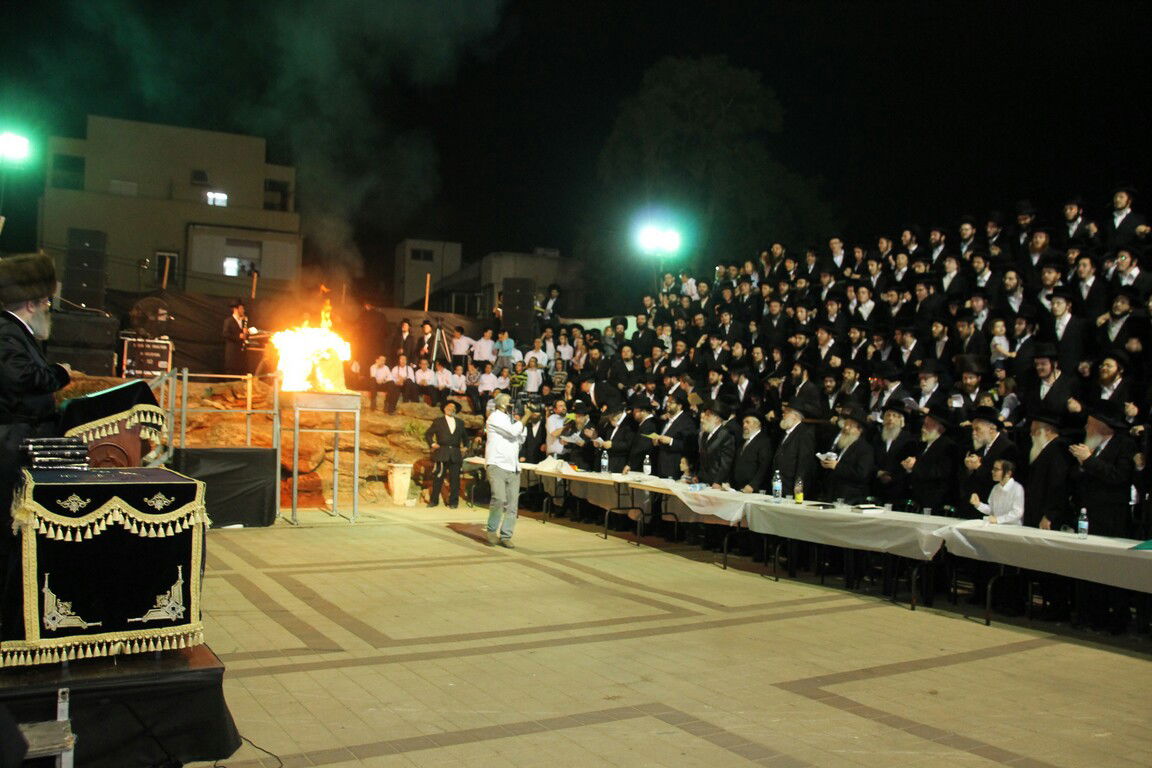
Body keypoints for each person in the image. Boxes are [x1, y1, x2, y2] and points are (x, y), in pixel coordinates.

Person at [0, 253, 71, 628]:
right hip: (12, 445)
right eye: (45, 303)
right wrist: (60, 374)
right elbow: (20, 378)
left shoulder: (16, 332)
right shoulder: (7, 331)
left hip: (22, 440)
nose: (48, 309)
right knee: (8, 529)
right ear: (30, 304)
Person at [484, 394, 541, 547]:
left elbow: (521, 437)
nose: (512, 402)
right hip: (497, 464)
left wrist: (523, 418)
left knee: (512, 504)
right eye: (509, 400)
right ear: (500, 403)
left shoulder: (513, 419)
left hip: (513, 466)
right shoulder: (494, 417)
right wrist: (526, 416)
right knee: (499, 499)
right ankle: (491, 530)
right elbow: (513, 432)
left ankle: (506, 535)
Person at [425, 399, 467, 508]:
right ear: (444, 408)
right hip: (442, 453)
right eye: (449, 406)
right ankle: (434, 501)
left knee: (455, 480)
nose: (451, 409)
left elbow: (466, 438)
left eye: (454, 407)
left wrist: (465, 447)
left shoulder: (460, 423)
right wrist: (432, 444)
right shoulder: (438, 421)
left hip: (455, 453)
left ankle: (453, 502)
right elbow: (428, 434)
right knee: (438, 478)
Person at [970, 459, 1024, 525]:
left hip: (1013, 528)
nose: (992, 471)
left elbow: (1017, 512)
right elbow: (992, 510)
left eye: (996, 469)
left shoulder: (1017, 488)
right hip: (997, 527)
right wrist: (978, 504)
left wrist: (998, 519)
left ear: (1008, 473)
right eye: (993, 469)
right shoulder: (996, 488)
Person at [222, 298, 249, 374]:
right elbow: (225, 334)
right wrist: (238, 336)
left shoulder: (243, 321)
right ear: (236, 309)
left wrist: (246, 329)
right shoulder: (228, 321)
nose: (243, 310)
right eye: (241, 308)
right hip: (232, 355)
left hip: (242, 356)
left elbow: (245, 335)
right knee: (232, 376)